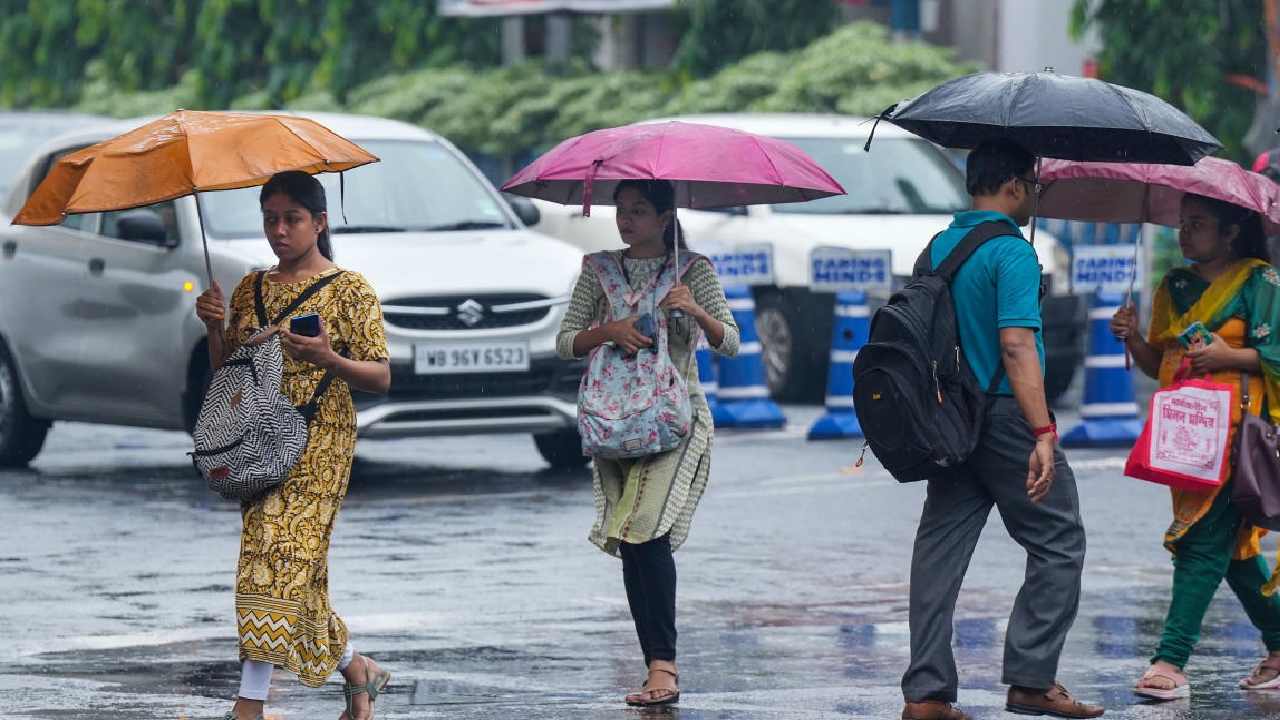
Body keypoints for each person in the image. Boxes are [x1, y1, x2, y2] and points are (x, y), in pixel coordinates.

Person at [901, 140, 1103, 720]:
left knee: (938, 553)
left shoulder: (941, 245)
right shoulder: (1010, 252)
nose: (1037, 196)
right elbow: (1016, 345)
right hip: (1004, 416)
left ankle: (925, 693)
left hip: (948, 418)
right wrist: (1042, 431)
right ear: (1013, 186)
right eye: (1034, 186)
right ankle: (1032, 678)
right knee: (1059, 541)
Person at [195, 171, 392, 720]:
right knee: (286, 564)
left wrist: (328, 358)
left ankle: (249, 704)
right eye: (270, 219)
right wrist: (213, 329)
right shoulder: (250, 288)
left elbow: (380, 376)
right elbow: (226, 377)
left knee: (274, 561)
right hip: (260, 443)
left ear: (319, 222)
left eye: (292, 219)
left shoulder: (350, 290)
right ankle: (357, 668)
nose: (279, 230)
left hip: (321, 442)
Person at [555, 179, 739, 707]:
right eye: (621, 210)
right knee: (632, 542)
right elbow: (566, 341)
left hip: (675, 421)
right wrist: (607, 330)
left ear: (664, 217)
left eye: (639, 211)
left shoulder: (693, 270)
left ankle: (664, 666)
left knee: (645, 531)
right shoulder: (598, 270)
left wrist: (696, 312)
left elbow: (731, 343)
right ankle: (654, 664)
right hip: (613, 423)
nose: (626, 220)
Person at [1113, 193, 1280, 700]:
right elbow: (1157, 364)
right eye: (1182, 224)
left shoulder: (1260, 281)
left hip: (1239, 434)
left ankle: (1171, 658)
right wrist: (1134, 337)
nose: (1185, 234)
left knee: (1200, 540)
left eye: (1198, 224)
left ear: (1231, 232)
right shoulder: (1174, 285)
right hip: (1185, 437)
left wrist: (1233, 355)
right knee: (1227, 548)